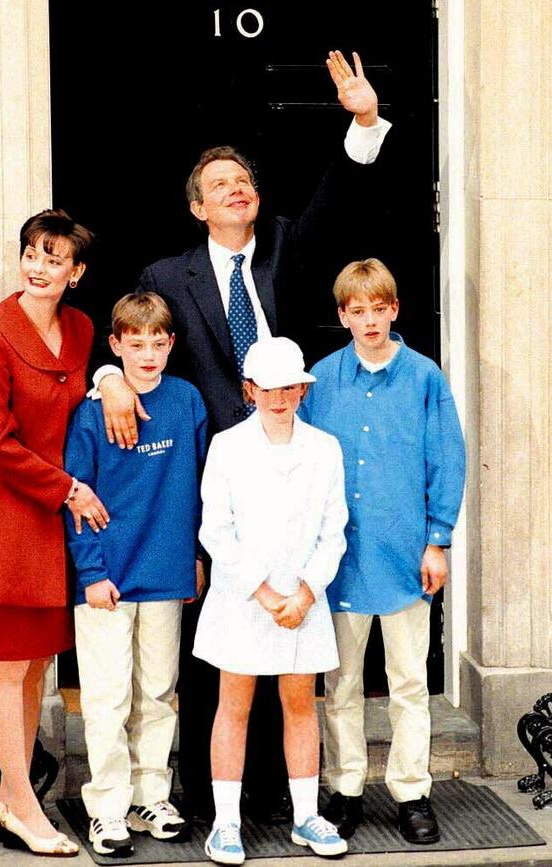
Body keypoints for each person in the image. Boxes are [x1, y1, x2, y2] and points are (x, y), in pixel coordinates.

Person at [93, 49, 392, 822]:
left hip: (291, 466)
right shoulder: (166, 276)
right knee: (217, 636)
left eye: (245, 180)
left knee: (288, 628)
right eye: (221, 184)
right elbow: (134, 342)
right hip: (211, 479)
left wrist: (362, 119)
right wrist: (108, 377)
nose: (238, 189)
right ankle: (205, 796)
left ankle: (277, 795)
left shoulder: (290, 246)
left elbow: (343, 197)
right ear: (197, 207)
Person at [0, 209, 108, 858]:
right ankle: (21, 803)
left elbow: (84, 396)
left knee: (38, 665)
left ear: (76, 273)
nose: (39, 268)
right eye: (32, 255)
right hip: (6, 522)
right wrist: (68, 489)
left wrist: (111, 375)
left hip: (53, 531)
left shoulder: (81, 327)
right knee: (7, 667)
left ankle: (10, 794)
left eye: (54, 258)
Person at [299, 258, 466, 845]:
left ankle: (412, 792)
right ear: (342, 315)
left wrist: (437, 540)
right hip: (340, 563)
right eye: (357, 310)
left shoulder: (424, 378)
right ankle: (344, 788)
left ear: (394, 309)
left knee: (408, 682)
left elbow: (447, 460)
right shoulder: (320, 381)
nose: (369, 320)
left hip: (404, 557)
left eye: (379, 308)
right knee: (340, 683)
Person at [193, 337, 348, 864]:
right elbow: (216, 531)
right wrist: (264, 593)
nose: (278, 397)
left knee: (300, 703)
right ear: (250, 390)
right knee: (233, 707)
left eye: (289, 387)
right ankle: (227, 824)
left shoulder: (325, 448)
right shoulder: (227, 446)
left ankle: (306, 815)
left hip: (303, 602)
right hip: (244, 599)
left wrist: (304, 594)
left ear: (303, 390)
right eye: (267, 387)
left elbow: (335, 531)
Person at [64, 293, 207, 857]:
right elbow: (77, 499)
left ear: (171, 344)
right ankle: (106, 807)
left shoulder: (187, 401)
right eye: (136, 343)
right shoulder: (90, 413)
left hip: (167, 573)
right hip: (107, 582)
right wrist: (91, 572)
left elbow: (197, 489)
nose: (147, 355)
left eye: (157, 343)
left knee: (158, 692)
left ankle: (152, 794)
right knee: (105, 698)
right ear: (116, 345)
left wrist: (193, 556)